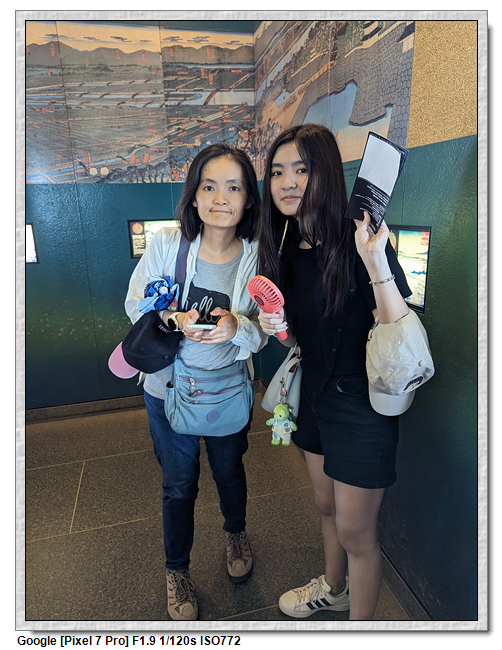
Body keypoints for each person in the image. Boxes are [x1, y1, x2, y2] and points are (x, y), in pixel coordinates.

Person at [256, 124, 412, 621]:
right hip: (314, 397)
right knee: (325, 506)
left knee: (355, 532)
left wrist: (375, 261)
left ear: (325, 172)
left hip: (363, 405)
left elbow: (396, 326)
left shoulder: (359, 240)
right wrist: (277, 328)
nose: (287, 182)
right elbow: (297, 338)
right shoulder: (288, 246)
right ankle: (333, 587)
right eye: (277, 172)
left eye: (301, 169)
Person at [125, 143, 267, 621]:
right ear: (194, 194)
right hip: (167, 390)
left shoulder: (256, 257)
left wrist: (237, 327)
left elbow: (264, 331)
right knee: (178, 485)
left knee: (230, 471)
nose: (220, 198)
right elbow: (135, 305)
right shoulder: (168, 244)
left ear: (248, 199)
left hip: (227, 387)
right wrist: (173, 318)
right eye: (209, 186)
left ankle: (236, 532)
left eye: (234, 187)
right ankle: (177, 571)